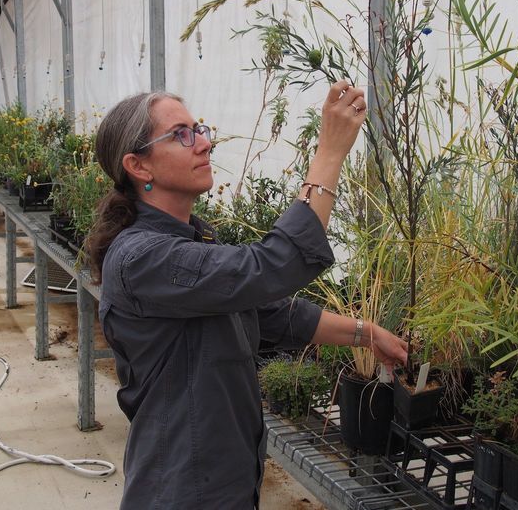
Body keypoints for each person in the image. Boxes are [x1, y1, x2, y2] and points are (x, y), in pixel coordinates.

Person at [87, 82, 408, 509]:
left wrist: (367, 334)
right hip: (185, 490)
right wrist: (329, 153)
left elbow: (271, 312)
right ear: (138, 166)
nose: (204, 142)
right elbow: (274, 265)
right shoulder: (143, 257)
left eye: (198, 128)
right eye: (181, 134)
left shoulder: (187, 242)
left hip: (222, 478)